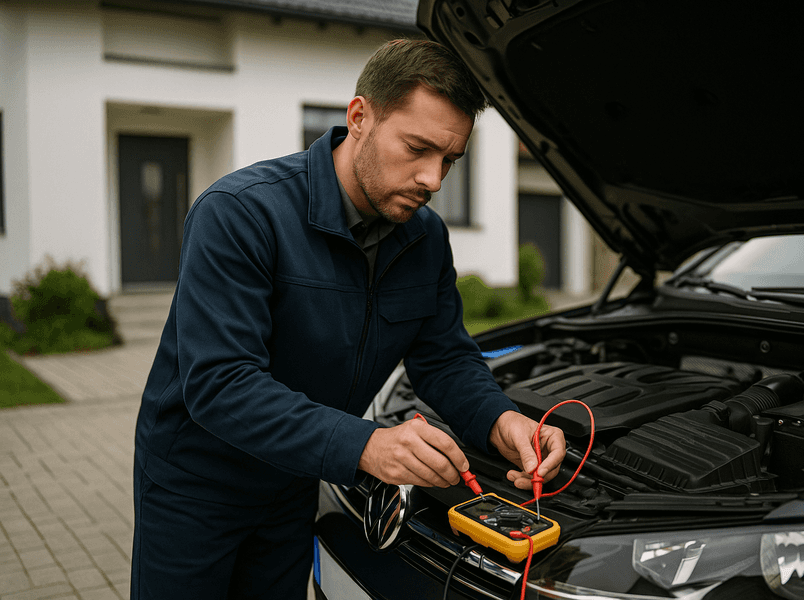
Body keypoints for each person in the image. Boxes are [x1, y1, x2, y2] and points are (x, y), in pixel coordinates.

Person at [130, 38, 566, 599]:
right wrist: (366, 446)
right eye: (417, 148)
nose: (433, 179)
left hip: (294, 477)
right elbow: (220, 384)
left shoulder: (426, 238)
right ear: (360, 117)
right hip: (195, 485)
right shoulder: (240, 213)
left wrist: (501, 421)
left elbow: (445, 358)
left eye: (450, 160)